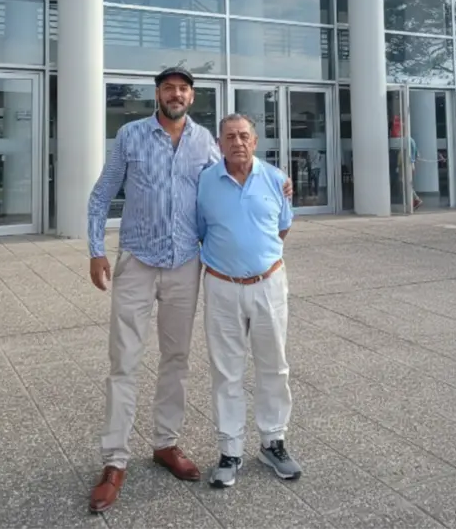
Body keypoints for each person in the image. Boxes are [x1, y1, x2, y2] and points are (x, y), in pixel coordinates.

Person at [86, 69, 292, 514]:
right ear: (158, 94)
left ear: (192, 97)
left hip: (184, 265)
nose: (175, 94)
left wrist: (278, 182)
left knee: (176, 359)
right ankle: (114, 460)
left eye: (182, 89)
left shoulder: (206, 143)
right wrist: (96, 249)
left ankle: (166, 443)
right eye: (168, 88)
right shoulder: (130, 136)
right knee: (124, 361)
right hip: (137, 261)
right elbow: (102, 194)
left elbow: (236, 175)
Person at [197, 113, 302, 488]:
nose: (237, 142)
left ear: (255, 142)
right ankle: (230, 450)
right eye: (229, 137)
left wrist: (256, 259)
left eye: (244, 136)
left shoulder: (275, 179)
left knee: (274, 365)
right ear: (219, 144)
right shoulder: (205, 182)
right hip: (221, 286)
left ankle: (273, 442)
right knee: (226, 371)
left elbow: (281, 227)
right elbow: (201, 231)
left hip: (268, 284)